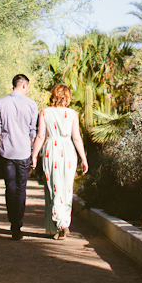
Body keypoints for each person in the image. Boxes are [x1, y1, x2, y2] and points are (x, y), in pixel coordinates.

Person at [31, 83, 88, 240]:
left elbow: (41, 136)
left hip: (52, 150)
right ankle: (62, 223)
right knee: (66, 188)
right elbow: (76, 137)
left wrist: (34, 154)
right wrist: (83, 158)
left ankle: (59, 224)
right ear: (68, 97)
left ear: (54, 95)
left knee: (53, 187)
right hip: (68, 150)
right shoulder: (72, 114)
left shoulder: (45, 112)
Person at [0, 74, 39, 240]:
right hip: (24, 152)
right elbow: (34, 132)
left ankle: (13, 224)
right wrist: (34, 154)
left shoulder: (0, 103)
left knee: (10, 187)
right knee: (21, 188)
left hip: (6, 152)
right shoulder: (32, 104)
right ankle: (17, 224)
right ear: (24, 86)